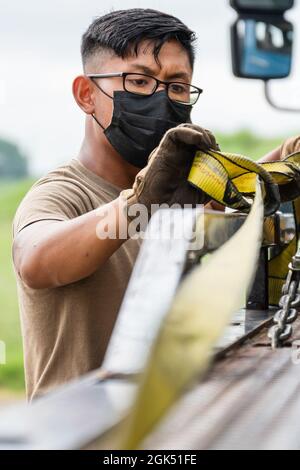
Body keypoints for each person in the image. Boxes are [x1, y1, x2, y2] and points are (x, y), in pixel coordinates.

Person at [12, 8, 298, 401]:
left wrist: (289, 156)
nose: (161, 98)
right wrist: (139, 200)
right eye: (139, 80)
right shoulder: (63, 193)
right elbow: (37, 261)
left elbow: (242, 194)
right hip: (82, 436)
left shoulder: (184, 190)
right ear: (86, 94)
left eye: (177, 86)